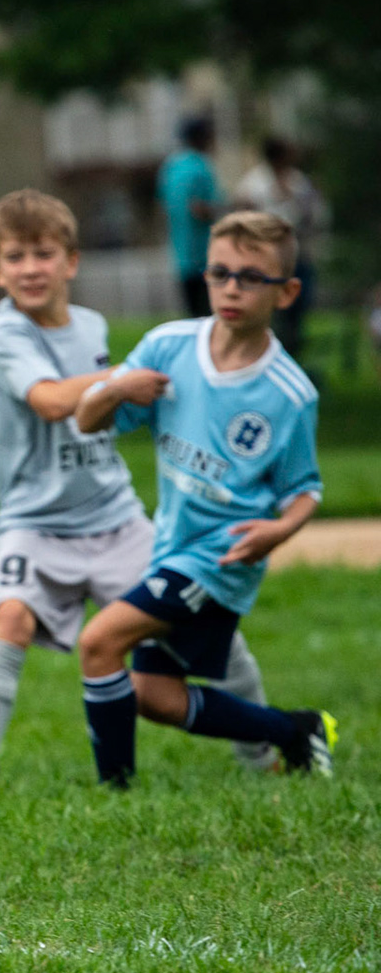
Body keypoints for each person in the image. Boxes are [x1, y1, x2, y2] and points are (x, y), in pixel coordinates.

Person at [0, 190, 271, 784]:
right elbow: (49, 402)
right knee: (9, 620)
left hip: (116, 518)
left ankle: (265, 752)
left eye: (43, 253)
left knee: (204, 620)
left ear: (72, 261)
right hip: (34, 524)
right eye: (14, 257)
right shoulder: (3, 334)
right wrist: (125, 378)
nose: (30, 269)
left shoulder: (91, 324)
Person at [74, 210, 334, 786]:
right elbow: (87, 420)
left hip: (221, 559)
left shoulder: (289, 394)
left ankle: (114, 791)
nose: (232, 288)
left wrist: (277, 531)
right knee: (154, 697)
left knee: (98, 642)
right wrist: (116, 387)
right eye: (219, 273)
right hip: (172, 545)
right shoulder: (169, 346)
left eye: (249, 277)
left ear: (286, 292)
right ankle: (294, 731)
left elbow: (305, 490)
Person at [234, 137, 326, 359]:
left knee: (297, 310)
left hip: (298, 256)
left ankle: (293, 356)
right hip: (267, 260)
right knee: (271, 312)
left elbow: (315, 214)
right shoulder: (253, 184)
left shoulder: (298, 181)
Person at [159, 117, 221, 319]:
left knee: (193, 317)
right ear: (202, 137)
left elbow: (164, 205)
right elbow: (199, 209)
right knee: (211, 317)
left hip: (181, 254)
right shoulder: (200, 166)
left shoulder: (170, 166)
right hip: (205, 254)